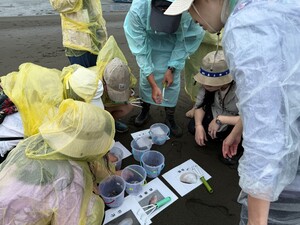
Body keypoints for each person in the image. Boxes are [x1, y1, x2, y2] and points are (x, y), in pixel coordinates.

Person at [165, 0, 300, 224]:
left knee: (274, 207)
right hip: (287, 124)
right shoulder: (267, 7)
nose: (191, 17)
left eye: (191, 7)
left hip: (287, 140)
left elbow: (266, 130)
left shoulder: (244, 25)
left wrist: (256, 221)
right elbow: (275, 94)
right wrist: (236, 129)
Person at [0, 99, 116, 224]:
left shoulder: (36, 141)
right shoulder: (71, 178)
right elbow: (70, 221)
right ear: (86, 146)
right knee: (93, 209)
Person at [123, 0, 205, 137]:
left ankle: (170, 117)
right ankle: (145, 111)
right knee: (146, 81)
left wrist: (172, 68)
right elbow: (139, 47)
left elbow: (188, 40)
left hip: (173, 48)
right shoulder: (139, 9)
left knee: (172, 85)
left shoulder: (190, 11)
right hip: (149, 46)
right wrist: (153, 82)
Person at [188, 50, 241, 165]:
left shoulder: (241, 88)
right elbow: (200, 105)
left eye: (211, 83)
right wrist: (198, 126)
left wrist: (220, 120)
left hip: (235, 121)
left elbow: (248, 118)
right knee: (193, 127)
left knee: (228, 156)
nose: (206, 85)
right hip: (214, 112)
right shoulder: (207, 87)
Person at [49, 0, 107, 67]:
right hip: (78, 41)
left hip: (97, 37)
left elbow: (94, 9)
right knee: (82, 75)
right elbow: (57, 5)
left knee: (98, 75)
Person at [184, 31, 223, 119]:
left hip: (220, 44)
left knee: (219, 77)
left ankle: (220, 109)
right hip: (197, 43)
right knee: (197, 75)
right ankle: (197, 105)